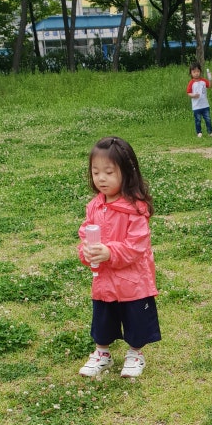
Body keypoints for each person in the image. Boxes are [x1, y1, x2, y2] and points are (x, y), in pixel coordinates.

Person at [78, 136, 160, 379]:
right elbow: (85, 232)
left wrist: (110, 252)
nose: (101, 178)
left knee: (135, 317)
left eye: (109, 172)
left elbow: (137, 246)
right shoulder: (94, 206)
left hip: (133, 281)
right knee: (103, 317)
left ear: (127, 172)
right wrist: (86, 252)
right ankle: (102, 353)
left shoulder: (135, 208)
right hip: (104, 279)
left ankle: (135, 354)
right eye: (95, 172)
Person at [186, 62, 212, 139]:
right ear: (191, 73)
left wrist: (210, 79)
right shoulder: (191, 83)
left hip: (205, 105)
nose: (196, 73)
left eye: (198, 71)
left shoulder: (203, 81)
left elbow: (210, 85)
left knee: (208, 119)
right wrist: (193, 95)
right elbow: (188, 93)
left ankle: (210, 132)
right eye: (194, 72)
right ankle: (199, 132)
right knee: (198, 120)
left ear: (200, 72)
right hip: (196, 107)